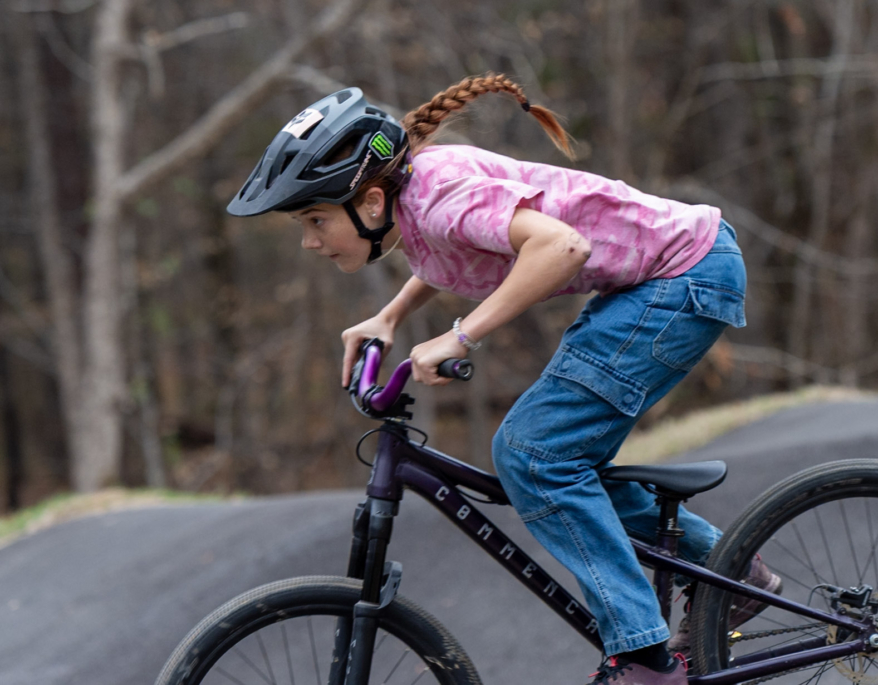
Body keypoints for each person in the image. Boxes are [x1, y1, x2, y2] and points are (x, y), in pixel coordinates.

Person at [227, 74, 780, 685]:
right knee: (555, 461)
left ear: (372, 203)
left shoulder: (438, 197)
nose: (309, 242)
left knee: (533, 455)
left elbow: (562, 247)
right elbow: (456, 245)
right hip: (657, 280)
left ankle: (643, 657)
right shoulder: (418, 197)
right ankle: (732, 570)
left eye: (315, 220)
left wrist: (461, 336)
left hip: (684, 277)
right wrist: (392, 316)